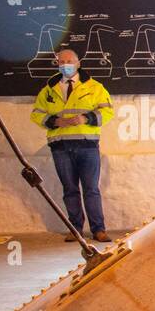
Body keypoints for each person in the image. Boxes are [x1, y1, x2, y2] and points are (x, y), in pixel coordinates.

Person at [29, 48, 115, 243]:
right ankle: (75, 229)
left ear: (79, 63)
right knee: (70, 189)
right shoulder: (48, 89)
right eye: (61, 62)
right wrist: (53, 121)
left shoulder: (94, 87)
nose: (65, 65)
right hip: (60, 146)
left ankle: (98, 229)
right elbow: (36, 113)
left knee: (91, 189)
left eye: (69, 61)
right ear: (57, 64)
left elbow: (108, 111)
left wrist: (86, 118)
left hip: (87, 145)